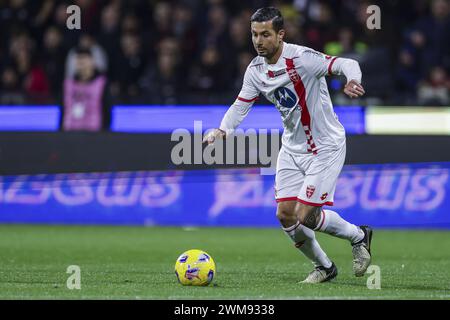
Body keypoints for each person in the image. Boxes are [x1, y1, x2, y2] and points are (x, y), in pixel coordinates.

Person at [203, 7, 372, 284]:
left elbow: (344, 63)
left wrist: (353, 80)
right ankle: (325, 267)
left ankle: (359, 236)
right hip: (292, 149)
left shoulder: (302, 58)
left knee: (305, 215)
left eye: (265, 34)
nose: (258, 41)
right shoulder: (256, 69)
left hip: (325, 147)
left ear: (280, 35)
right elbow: (241, 104)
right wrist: (222, 130)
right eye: (254, 34)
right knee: (284, 214)